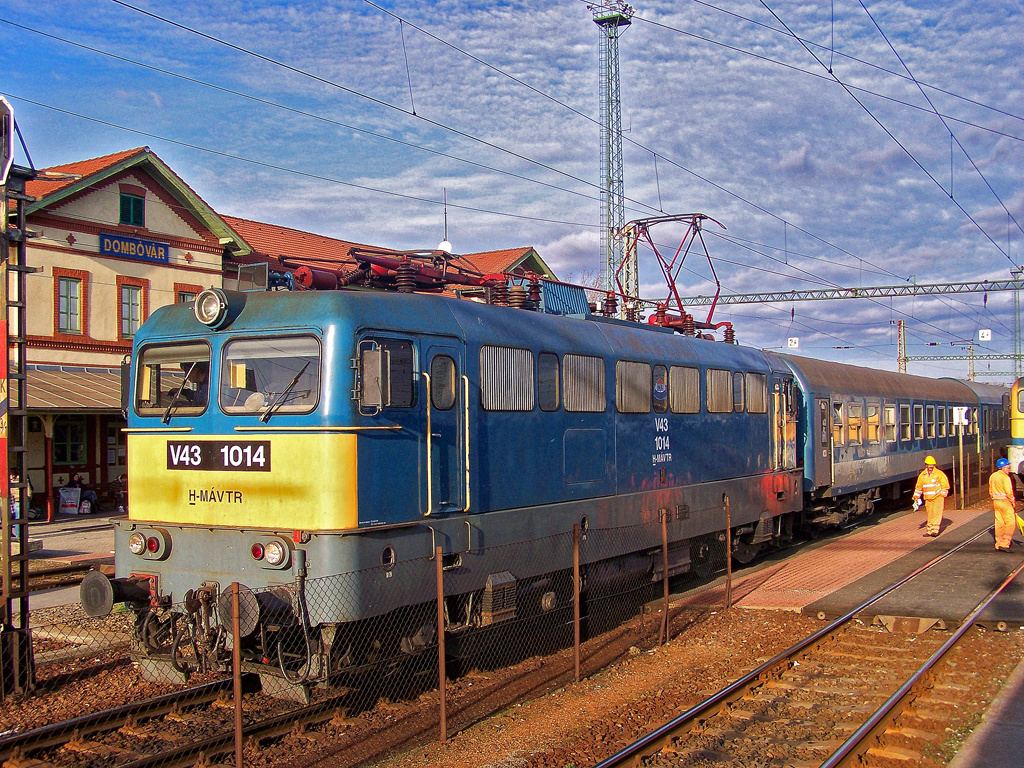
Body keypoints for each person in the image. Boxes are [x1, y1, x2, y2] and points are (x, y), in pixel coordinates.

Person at [912, 455, 949, 537]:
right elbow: (918, 487)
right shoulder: (923, 475)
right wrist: (916, 497)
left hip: (937, 498)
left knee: (936, 513)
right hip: (928, 499)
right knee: (930, 514)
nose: (931, 467)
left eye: (932, 465)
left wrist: (942, 494)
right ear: (926, 465)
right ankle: (929, 530)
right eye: (929, 465)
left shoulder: (939, 474)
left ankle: (935, 531)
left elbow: (945, 485)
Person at [989, 457, 1016, 551]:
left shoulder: (993, 476)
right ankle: (1005, 543)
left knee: (999, 522)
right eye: (1008, 467)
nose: (1009, 469)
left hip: (996, 502)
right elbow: (1009, 492)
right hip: (1005, 503)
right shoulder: (1005, 478)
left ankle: (998, 543)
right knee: (1011, 523)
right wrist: (1013, 501)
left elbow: (990, 490)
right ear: (1003, 467)